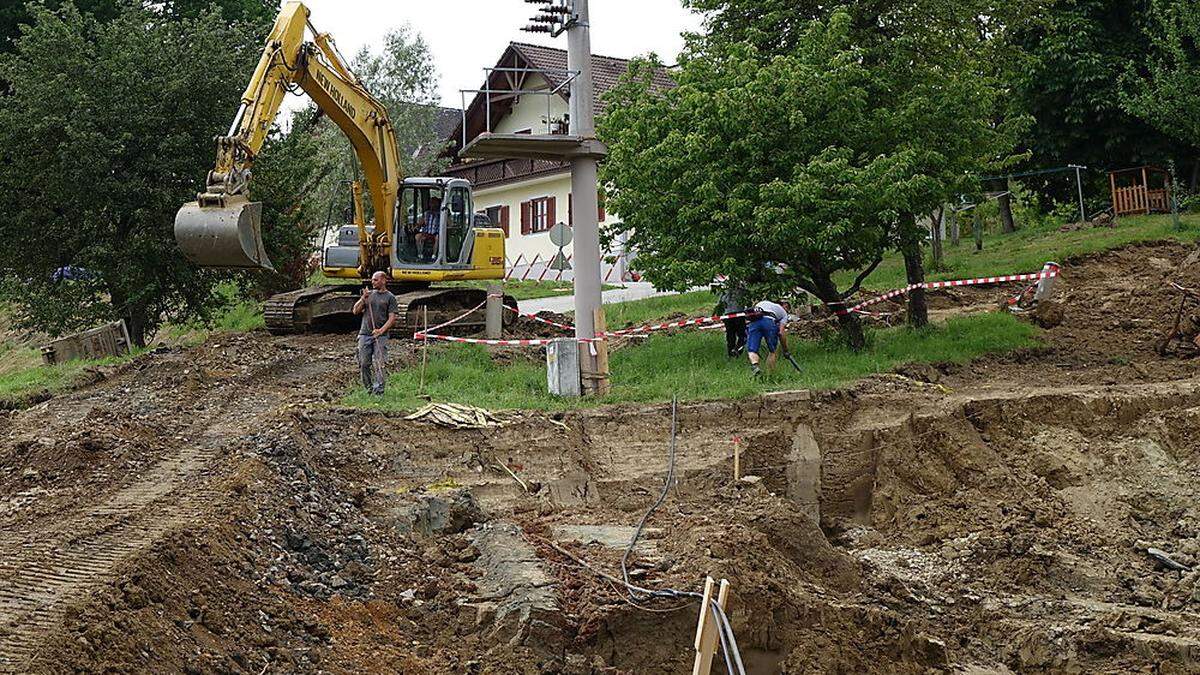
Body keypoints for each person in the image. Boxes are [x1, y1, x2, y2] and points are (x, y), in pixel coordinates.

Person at [353, 271, 398, 395]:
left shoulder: (390, 297)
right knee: (364, 363)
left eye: (376, 280)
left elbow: (392, 318)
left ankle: (379, 391)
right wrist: (363, 299)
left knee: (380, 364)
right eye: (372, 280)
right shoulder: (369, 295)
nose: (373, 282)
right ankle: (368, 389)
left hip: (381, 336)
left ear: (383, 280)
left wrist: (381, 331)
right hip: (365, 334)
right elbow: (355, 310)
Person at [746, 299, 791, 377]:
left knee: (752, 350)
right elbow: (781, 333)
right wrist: (785, 350)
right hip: (769, 322)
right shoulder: (784, 313)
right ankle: (770, 375)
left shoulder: (762, 302)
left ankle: (755, 365)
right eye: (787, 308)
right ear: (784, 306)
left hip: (755, 322)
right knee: (772, 351)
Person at [713, 283, 747, 358]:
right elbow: (747, 299)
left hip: (727, 315)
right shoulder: (741, 289)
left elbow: (719, 303)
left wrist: (719, 314)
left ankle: (731, 353)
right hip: (738, 314)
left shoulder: (723, 290)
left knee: (730, 335)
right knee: (742, 335)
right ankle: (737, 350)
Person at [415, 196, 441, 262]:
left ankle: (434, 255)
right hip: (426, 232)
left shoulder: (441, 214)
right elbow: (422, 222)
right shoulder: (426, 213)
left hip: (436, 233)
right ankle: (420, 255)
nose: (432, 205)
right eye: (431, 203)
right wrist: (418, 225)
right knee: (417, 237)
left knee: (438, 237)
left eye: (434, 203)